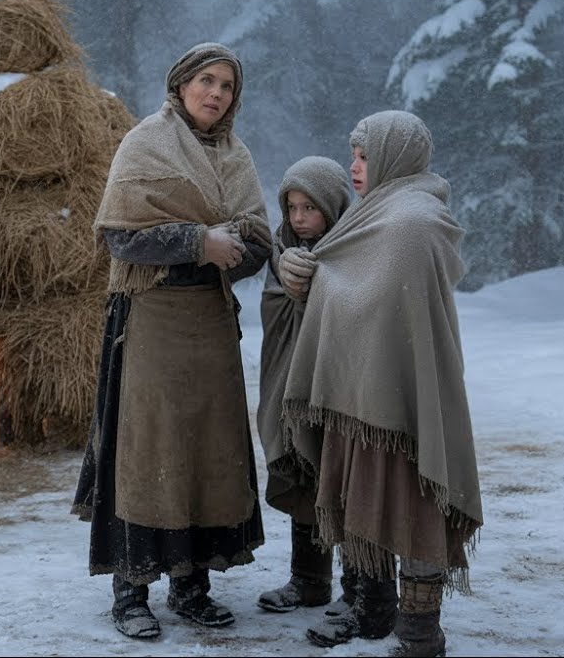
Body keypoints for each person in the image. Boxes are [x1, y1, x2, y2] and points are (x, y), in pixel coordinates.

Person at [71, 42, 273, 640]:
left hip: (211, 323)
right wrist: (196, 242)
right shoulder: (146, 142)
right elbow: (120, 237)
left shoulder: (237, 157)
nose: (216, 94)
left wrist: (232, 250)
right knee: (148, 449)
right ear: (182, 83)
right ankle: (131, 588)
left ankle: (193, 584)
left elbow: (258, 239)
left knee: (207, 451)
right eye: (206, 81)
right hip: (151, 320)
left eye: (228, 86)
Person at [278, 110, 483, 657]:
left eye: (365, 155)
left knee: (415, 504)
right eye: (354, 154)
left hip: (403, 390)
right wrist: (309, 273)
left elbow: (374, 296)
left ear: (395, 154)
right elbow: (346, 278)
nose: (355, 166)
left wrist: (320, 278)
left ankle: (419, 634)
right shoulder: (375, 214)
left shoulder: (413, 219)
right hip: (363, 387)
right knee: (366, 498)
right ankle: (372, 608)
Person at [253, 157, 353, 615]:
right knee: (303, 472)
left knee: (341, 482)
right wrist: (292, 287)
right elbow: (275, 312)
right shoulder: (282, 250)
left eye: (309, 207)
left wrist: (318, 288)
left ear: (331, 208)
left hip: (336, 390)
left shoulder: (352, 247)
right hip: (291, 386)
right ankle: (309, 581)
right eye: (291, 206)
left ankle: (359, 588)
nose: (298, 218)